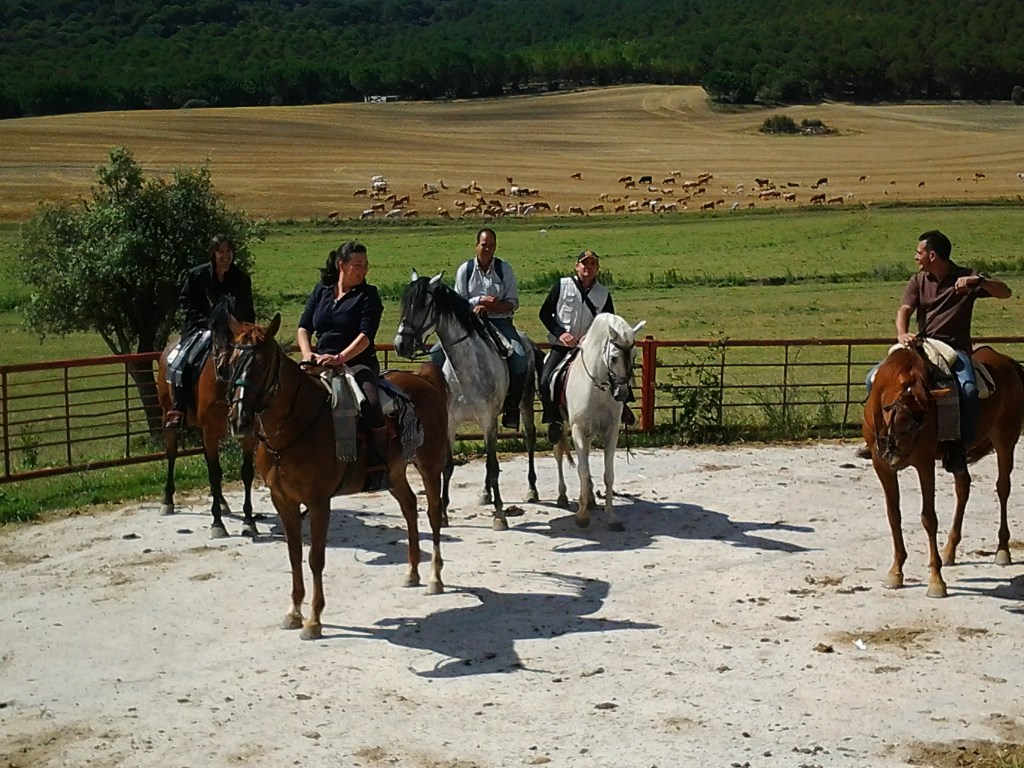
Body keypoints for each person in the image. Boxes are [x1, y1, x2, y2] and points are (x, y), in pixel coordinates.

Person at [865, 229, 1012, 469]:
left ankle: (958, 447)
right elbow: (904, 309)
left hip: (955, 349)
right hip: (922, 346)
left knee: (968, 388)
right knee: (872, 378)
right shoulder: (918, 281)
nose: (916, 257)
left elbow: (1006, 293)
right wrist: (902, 333)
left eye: (919, 252)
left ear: (932, 255)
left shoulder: (966, 277)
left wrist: (980, 281)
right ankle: (879, 437)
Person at [297, 240, 389, 491]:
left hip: (357, 363)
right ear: (342, 266)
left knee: (370, 403)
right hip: (318, 362)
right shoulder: (322, 291)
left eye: (365, 264)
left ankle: (379, 466)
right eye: (357, 264)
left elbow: (365, 336)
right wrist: (307, 354)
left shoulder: (369, 296)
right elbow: (304, 327)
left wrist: (340, 358)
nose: (363, 270)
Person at [432, 228, 527, 429]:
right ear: (476, 246)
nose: (487, 249)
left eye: (491, 245)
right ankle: (439, 403)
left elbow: (512, 303)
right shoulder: (465, 270)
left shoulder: (504, 269)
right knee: (436, 354)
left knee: (519, 357)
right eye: (484, 245)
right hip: (469, 324)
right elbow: (458, 303)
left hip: (499, 322)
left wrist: (493, 307)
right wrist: (480, 301)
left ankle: (511, 408)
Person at [165, 234, 255, 429]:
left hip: (233, 331)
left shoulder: (241, 279)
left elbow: (248, 311)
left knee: (252, 360)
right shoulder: (197, 276)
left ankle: (249, 408)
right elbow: (185, 304)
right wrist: (208, 322)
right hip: (200, 328)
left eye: (229, 251)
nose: (226, 256)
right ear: (213, 253)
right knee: (181, 360)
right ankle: (179, 409)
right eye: (221, 251)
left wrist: (239, 327)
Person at [538, 249, 618, 443]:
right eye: (584, 263)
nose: (588, 268)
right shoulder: (562, 286)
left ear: (597, 268)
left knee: (617, 374)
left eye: (592, 264)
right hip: (562, 346)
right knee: (546, 379)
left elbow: (610, 322)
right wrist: (561, 333)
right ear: (577, 266)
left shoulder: (603, 294)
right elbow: (544, 313)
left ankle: (622, 410)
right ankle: (553, 419)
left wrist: (590, 338)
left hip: (590, 350)